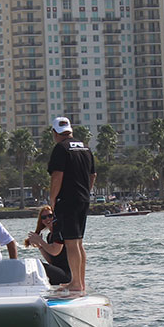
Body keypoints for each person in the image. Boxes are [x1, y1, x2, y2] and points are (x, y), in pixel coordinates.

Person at [47, 116, 96, 292]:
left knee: (70, 242)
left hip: (68, 200)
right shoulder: (85, 148)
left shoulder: (61, 148)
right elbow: (93, 175)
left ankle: (76, 282)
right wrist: (86, 191)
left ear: (55, 133)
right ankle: (79, 281)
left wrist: (53, 198)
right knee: (78, 242)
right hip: (83, 199)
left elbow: (57, 176)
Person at [24, 205, 71, 287]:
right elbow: (51, 261)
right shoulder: (49, 236)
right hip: (58, 271)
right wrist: (39, 246)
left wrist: (40, 241)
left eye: (50, 216)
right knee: (36, 263)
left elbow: (55, 251)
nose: (47, 219)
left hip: (67, 274)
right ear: (42, 221)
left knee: (40, 265)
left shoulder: (59, 233)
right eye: (44, 217)